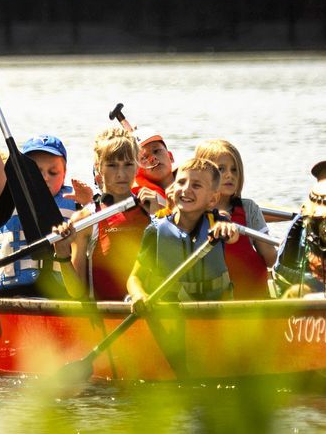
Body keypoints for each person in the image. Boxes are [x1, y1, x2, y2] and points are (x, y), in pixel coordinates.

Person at [0, 64, 89, 297]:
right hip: (8, 297)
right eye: (36, 171)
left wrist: (90, 204)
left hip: (58, 300)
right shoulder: (3, 198)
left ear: (65, 174)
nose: (44, 177)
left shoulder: (78, 207)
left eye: (53, 172)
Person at [129, 156, 240, 304]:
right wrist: (139, 295)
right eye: (181, 182)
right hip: (171, 312)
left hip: (214, 310)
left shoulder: (219, 223)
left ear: (212, 199)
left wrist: (229, 229)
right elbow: (134, 278)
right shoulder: (155, 230)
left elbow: (233, 236)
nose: (186, 189)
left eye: (196, 185)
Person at [76, 127, 153, 302]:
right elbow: (76, 293)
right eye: (112, 166)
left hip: (148, 311)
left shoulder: (153, 210)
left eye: (128, 165)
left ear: (137, 166)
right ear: (99, 168)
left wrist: (158, 219)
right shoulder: (86, 218)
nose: (121, 174)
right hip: (105, 315)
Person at [194, 138, 275, 297]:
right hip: (211, 302)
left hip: (254, 300)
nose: (229, 175)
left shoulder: (248, 208)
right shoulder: (193, 213)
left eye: (234, 170)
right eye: (221, 169)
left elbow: (271, 257)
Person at [134, 133, 174, 201]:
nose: (153, 158)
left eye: (156, 151)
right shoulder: (138, 200)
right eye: (144, 158)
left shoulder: (193, 182)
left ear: (170, 156)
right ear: (137, 170)